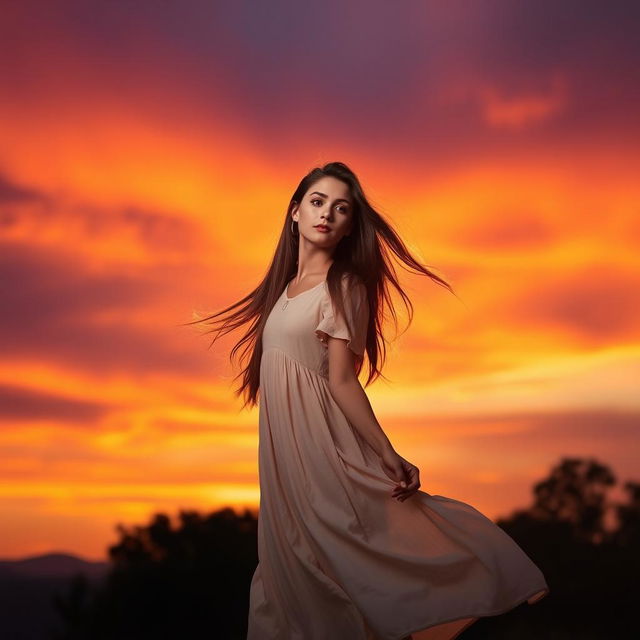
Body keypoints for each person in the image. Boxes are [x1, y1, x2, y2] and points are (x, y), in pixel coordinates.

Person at [192, 162, 549, 639]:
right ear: (295, 212)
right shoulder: (282, 291)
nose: (327, 215)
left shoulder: (344, 287)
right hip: (283, 462)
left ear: (349, 226)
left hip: (322, 448)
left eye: (341, 208)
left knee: (338, 556)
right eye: (318, 202)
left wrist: (386, 451)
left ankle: (488, 571)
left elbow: (341, 381)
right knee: (288, 572)